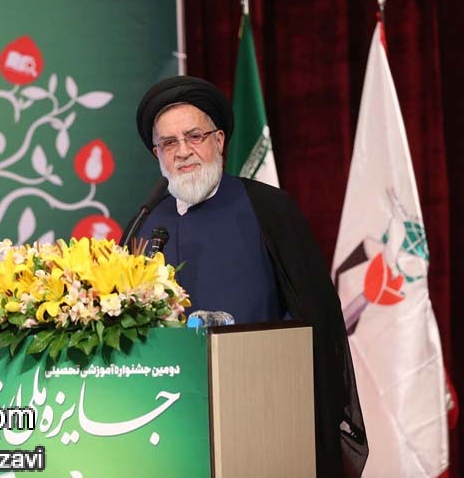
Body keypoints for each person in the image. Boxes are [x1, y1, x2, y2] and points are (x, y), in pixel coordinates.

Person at [134, 75, 368, 478]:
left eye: (194, 136)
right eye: (169, 143)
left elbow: (314, 317)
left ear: (219, 140)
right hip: (172, 424)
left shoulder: (269, 209)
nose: (183, 151)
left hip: (266, 416)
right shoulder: (147, 224)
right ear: (157, 154)